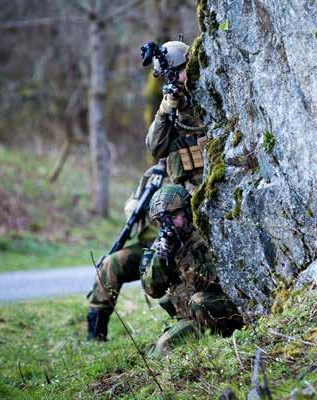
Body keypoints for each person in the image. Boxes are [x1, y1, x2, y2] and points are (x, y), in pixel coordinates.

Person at [141, 184, 244, 356]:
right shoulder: (162, 245)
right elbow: (152, 290)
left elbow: (214, 281)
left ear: (187, 212)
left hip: (219, 308)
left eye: (174, 216)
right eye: (162, 220)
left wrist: (183, 256)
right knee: (156, 353)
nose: (169, 224)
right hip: (189, 316)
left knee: (198, 302)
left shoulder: (205, 235)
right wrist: (161, 259)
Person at [86, 165, 162, 341]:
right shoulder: (156, 174)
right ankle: (96, 335)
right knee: (110, 264)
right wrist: (134, 206)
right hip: (149, 247)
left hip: (183, 247)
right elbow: (132, 204)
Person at [145, 40, 207, 192]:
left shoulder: (207, 91)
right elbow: (155, 149)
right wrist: (163, 113)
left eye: (179, 72)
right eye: (170, 76)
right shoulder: (171, 105)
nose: (177, 80)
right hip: (187, 189)